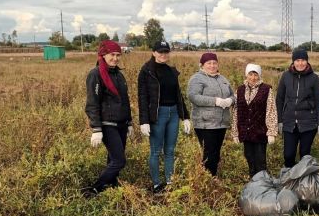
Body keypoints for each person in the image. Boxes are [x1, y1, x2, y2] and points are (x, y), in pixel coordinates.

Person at [138, 40, 191, 193]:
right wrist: (144, 121)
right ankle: (156, 184)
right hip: (157, 114)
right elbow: (142, 97)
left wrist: (185, 117)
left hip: (173, 113)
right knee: (155, 150)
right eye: (160, 52)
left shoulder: (171, 71)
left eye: (166, 52)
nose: (163, 55)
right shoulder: (146, 71)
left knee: (170, 150)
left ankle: (170, 182)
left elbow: (178, 96)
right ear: (153, 52)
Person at [84, 40, 133, 196]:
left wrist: (129, 122)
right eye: (112, 55)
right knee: (119, 161)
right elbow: (92, 103)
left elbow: (125, 100)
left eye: (118, 55)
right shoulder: (96, 74)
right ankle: (95, 188)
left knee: (113, 159)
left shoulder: (118, 74)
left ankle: (111, 185)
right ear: (103, 55)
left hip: (121, 123)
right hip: (107, 123)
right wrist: (96, 129)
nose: (115, 58)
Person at [276, 49, 319, 168]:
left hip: (308, 123)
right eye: (297, 60)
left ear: (307, 61)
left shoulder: (313, 78)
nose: (300, 63)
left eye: (303, 60)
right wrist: (279, 120)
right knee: (288, 155)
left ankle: (303, 181)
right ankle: (290, 178)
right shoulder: (285, 76)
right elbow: (279, 99)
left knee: (305, 155)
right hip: (289, 123)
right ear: (293, 62)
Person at [187, 52, 235, 177]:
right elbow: (194, 97)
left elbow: (232, 94)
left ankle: (212, 178)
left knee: (216, 153)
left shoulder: (222, 79)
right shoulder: (197, 78)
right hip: (205, 123)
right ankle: (208, 180)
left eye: (214, 63)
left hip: (221, 123)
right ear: (202, 65)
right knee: (209, 154)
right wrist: (216, 101)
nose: (212, 66)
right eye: (209, 63)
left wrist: (230, 100)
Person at [230, 63, 278, 178]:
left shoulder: (266, 89)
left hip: (260, 132)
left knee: (260, 162)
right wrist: (235, 132)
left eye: (256, 74)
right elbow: (236, 112)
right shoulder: (240, 90)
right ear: (246, 75)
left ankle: (263, 185)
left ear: (259, 76)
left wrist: (271, 132)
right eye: (250, 74)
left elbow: (271, 111)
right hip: (245, 132)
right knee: (249, 159)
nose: (253, 78)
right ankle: (253, 184)